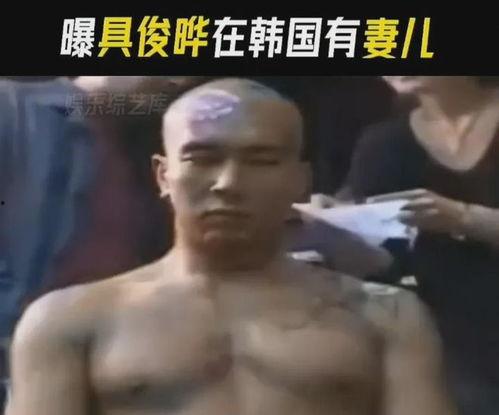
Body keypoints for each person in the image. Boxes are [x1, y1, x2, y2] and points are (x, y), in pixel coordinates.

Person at [6, 78, 455, 415]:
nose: (228, 183)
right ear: (164, 176)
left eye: (261, 161)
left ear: (300, 180)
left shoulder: (384, 318)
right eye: (202, 159)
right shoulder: (68, 321)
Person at [343, 76, 499, 415]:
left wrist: (465, 218)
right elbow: (382, 264)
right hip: (444, 335)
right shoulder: (383, 144)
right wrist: (337, 227)